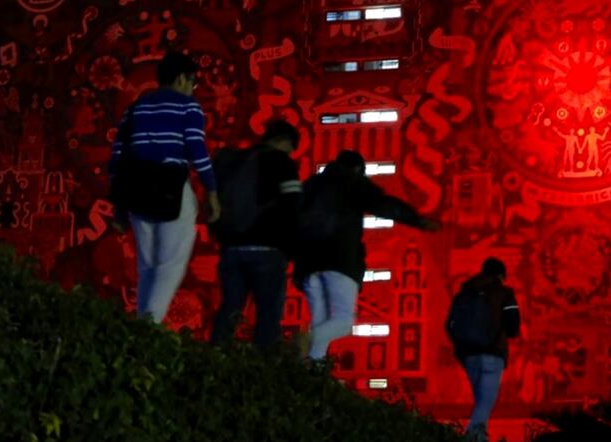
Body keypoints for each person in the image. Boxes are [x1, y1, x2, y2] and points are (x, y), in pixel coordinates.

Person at [293, 150, 439, 360]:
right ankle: (308, 340)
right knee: (342, 322)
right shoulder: (351, 181)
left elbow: (291, 220)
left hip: (308, 263)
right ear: (358, 170)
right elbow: (382, 204)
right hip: (339, 259)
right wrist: (416, 219)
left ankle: (313, 375)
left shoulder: (310, 184)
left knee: (321, 321)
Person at [108, 51, 220, 323]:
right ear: (182, 78)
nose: (193, 89)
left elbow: (118, 154)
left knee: (147, 265)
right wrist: (212, 191)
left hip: (136, 190)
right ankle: (150, 325)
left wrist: (119, 204)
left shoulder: (136, 107)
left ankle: (143, 321)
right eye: (193, 82)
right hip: (170, 186)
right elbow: (197, 149)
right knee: (171, 264)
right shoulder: (188, 106)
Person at [209, 119, 302, 348]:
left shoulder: (235, 161)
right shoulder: (283, 163)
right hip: (268, 251)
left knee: (230, 308)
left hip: (232, 249)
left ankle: (215, 360)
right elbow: (293, 206)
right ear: (285, 142)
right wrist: (294, 249)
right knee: (268, 314)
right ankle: (264, 370)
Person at [446, 257, 520, 442]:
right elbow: (513, 324)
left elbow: (449, 325)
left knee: (481, 402)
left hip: (468, 355)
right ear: (501, 275)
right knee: (485, 403)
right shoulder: (504, 293)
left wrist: (462, 344)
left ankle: (480, 437)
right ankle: (471, 437)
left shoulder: (463, 293)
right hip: (493, 354)